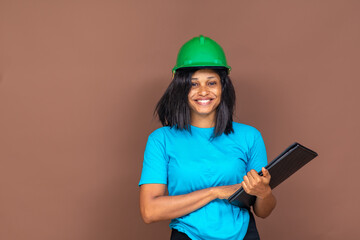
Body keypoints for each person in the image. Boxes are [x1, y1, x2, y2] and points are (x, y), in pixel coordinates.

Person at [138, 35, 276, 240]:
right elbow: (150, 211)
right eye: (193, 84)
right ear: (181, 89)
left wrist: (264, 193)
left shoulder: (250, 137)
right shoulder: (161, 140)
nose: (203, 91)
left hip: (244, 234)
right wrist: (215, 192)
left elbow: (263, 211)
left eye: (211, 83)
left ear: (223, 87)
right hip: (188, 235)